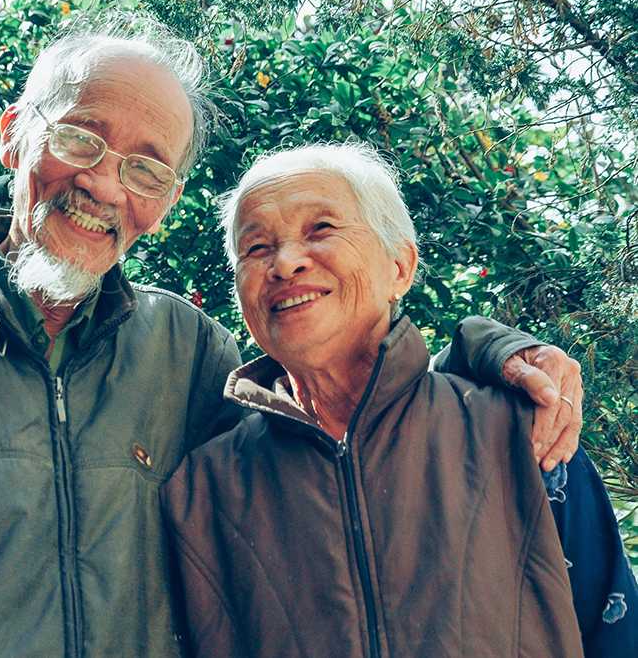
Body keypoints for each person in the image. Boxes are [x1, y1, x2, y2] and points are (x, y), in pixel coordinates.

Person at [0, 13, 583, 658]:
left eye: (146, 166)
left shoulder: (183, 351)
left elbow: (348, 418)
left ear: (168, 198)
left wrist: (488, 353)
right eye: (79, 138)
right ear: (14, 134)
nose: (103, 183)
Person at [161, 142, 637, 658]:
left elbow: (616, 630)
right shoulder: (203, 489)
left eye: (320, 229)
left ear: (400, 268)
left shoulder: (521, 431)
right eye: (256, 249)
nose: (286, 262)